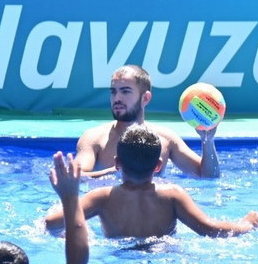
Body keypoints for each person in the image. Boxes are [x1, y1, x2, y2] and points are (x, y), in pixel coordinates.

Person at [47, 127, 258, 239]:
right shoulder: (172, 195)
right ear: (158, 165)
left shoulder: (102, 197)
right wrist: (248, 223)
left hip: (117, 259)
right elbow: (210, 229)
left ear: (117, 163)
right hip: (163, 255)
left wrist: (73, 225)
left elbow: (51, 223)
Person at [76, 65, 219, 179]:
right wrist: (113, 172)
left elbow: (208, 177)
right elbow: (75, 177)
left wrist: (207, 140)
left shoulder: (165, 139)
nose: (117, 98)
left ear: (145, 98)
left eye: (125, 91)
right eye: (113, 92)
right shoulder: (94, 138)